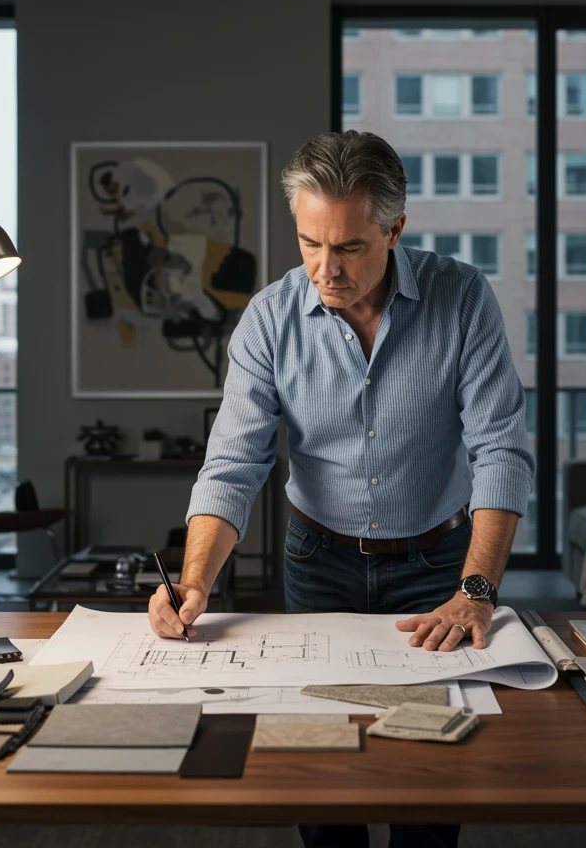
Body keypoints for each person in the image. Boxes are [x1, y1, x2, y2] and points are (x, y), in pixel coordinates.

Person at [149, 130, 535, 848]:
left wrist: (477, 588)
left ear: (395, 229)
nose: (326, 270)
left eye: (350, 248)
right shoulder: (269, 319)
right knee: (321, 777)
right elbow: (233, 464)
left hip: (435, 566)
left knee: (427, 784)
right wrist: (195, 581)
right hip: (318, 563)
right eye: (310, 244)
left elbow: (500, 449)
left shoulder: (461, 298)